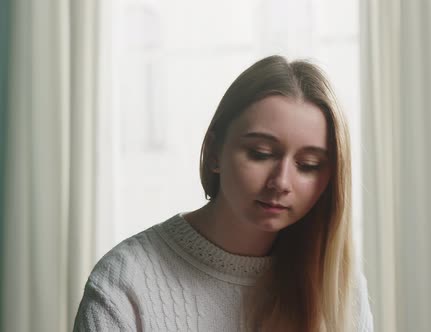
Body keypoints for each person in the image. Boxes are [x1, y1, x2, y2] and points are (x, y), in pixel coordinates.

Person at [74, 55, 374, 331]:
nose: (281, 182)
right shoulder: (125, 283)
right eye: (260, 153)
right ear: (215, 152)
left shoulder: (338, 285)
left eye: (308, 165)